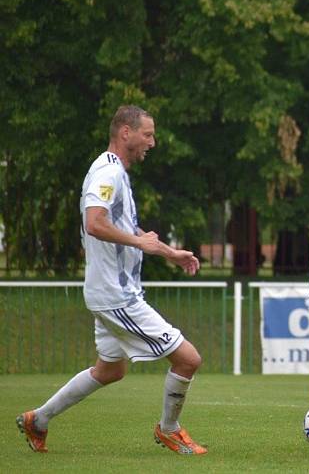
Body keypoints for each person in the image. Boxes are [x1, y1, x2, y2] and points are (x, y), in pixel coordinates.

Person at [16, 105, 207, 455]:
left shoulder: (116, 171)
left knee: (109, 371)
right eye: (147, 134)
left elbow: (124, 227)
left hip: (111, 293)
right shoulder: (108, 172)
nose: (152, 141)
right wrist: (139, 242)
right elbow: (95, 222)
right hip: (117, 296)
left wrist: (169, 253)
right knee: (188, 359)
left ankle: (38, 420)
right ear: (125, 133)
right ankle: (169, 429)